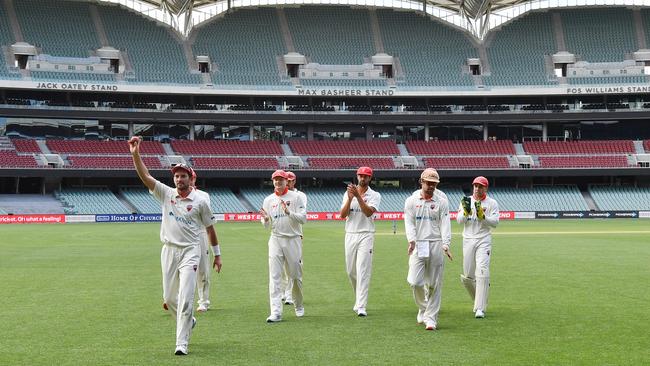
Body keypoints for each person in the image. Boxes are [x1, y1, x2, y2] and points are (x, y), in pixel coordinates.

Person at [129, 136, 221, 356]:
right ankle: (190, 321)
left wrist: (216, 255)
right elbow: (146, 177)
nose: (179, 179)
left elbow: (210, 229)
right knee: (169, 299)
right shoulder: (166, 194)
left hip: (191, 251)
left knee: (187, 297)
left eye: (183, 176)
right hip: (169, 250)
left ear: (191, 179)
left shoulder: (200, 201)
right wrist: (135, 155)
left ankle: (182, 343)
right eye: (177, 176)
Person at [404, 168, 453, 331]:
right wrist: (411, 240)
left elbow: (445, 224)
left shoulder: (442, 201)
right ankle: (424, 307)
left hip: (436, 243)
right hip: (419, 244)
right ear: (421, 182)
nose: (431, 186)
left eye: (434, 184)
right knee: (414, 281)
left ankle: (431, 318)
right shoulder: (411, 200)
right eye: (428, 183)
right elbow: (409, 222)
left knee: (434, 284)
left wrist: (446, 244)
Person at [259, 170, 307, 323]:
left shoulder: (296, 197)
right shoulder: (268, 200)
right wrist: (266, 219)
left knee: (295, 276)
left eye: (281, 180)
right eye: (275, 180)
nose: (278, 182)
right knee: (275, 277)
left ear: (287, 181)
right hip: (275, 239)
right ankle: (276, 312)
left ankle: (298, 305)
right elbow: (266, 225)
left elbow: (303, 219)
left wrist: (289, 212)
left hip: (293, 239)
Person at [339, 166, 381, 317]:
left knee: (363, 270)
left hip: (366, 234)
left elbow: (369, 212)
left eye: (366, 176)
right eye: (360, 176)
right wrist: (350, 198)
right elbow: (342, 215)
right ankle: (358, 298)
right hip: (350, 234)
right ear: (357, 176)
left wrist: (358, 197)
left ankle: (362, 305)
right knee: (351, 271)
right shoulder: (348, 193)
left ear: (370, 178)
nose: (363, 178)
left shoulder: (375, 195)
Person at [457, 176, 499, 319]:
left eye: (480, 186)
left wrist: (483, 217)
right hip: (468, 239)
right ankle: (481, 297)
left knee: (482, 270)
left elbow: (495, 223)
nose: (477, 188)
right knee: (468, 276)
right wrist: (465, 212)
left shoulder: (492, 203)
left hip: (483, 239)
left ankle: (479, 308)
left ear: (485, 188)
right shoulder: (466, 201)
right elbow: (458, 221)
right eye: (475, 186)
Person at [190, 170, 222, 313]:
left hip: (200, 233)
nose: (188, 180)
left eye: (190, 177)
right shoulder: (174, 194)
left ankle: (203, 301)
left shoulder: (203, 196)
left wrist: (217, 254)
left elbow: (207, 221)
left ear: (194, 178)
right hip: (183, 235)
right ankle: (176, 299)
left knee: (202, 269)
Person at [280, 171, 307, 306]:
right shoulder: (280, 195)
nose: (288, 183)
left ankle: (290, 295)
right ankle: (285, 292)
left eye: (290, 180)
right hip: (281, 234)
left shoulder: (300, 196)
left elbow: (301, 215)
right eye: (286, 180)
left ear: (294, 181)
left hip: (295, 234)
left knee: (293, 266)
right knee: (284, 266)